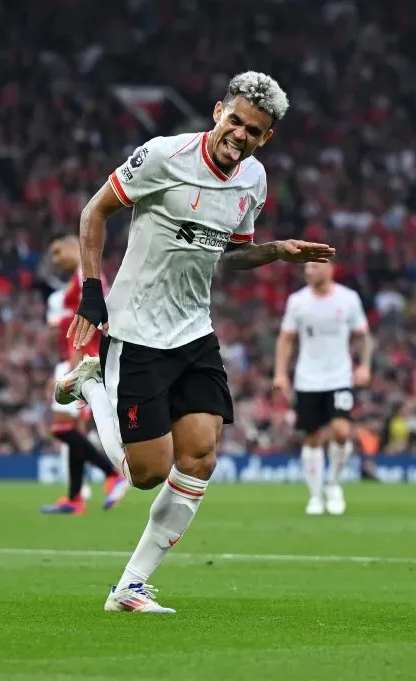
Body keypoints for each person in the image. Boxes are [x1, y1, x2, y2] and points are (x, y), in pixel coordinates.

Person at [55, 71, 335, 613]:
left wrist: (275, 252)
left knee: (201, 458)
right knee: (148, 474)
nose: (241, 135)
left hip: (194, 333)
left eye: (254, 130)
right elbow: (95, 212)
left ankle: (130, 587)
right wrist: (93, 293)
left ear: (265, 137)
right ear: (217, 113)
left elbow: (226, 254)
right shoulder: (162, 156)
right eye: (235, 121)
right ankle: (91, 387)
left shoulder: (253, 180)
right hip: (136, 334)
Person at [273, 261, 372, 515]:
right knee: (313, 437)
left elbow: (362, 335)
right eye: (305, 268)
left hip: (340, 377)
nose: (308, 271)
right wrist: (281, 374)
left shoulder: (348, 299)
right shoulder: (297, 301)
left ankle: (334, 484)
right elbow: (286, 338)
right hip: (308, 378)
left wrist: (364, 366)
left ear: (329, 269)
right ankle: (315, 495)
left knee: (341, 431)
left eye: (314, 267)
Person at [41, 239, 128, 515]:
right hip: (77, 359)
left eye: (58, 251)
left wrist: (74, 364)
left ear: (73, 247)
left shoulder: (85, 275)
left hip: (83, 361)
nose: (55, 258)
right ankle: (75, 498)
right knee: (72, 430)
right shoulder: (78, 278)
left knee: (61, 428)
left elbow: (94, 316)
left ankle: (113, 473)